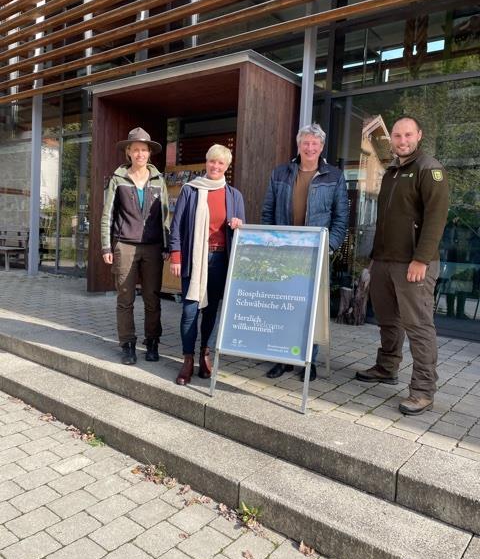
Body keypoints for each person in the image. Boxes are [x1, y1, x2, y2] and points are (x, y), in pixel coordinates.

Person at [355, 116, 449, 415]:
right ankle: (387, 367)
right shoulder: (393, 170)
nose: (402, 140)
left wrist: (421, 259)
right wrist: (374, 258)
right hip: (384, 260)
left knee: (418, 326)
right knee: (388, 320)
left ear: (419, 135)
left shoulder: (428, 168)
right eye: (397, 135)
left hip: (413, 264)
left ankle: (422, 390)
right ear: (391, 139)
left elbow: (436, 217)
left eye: (408, 135)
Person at [261, 123, 349, 381]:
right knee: (282, 307)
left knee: (311, 310)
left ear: (321, 147)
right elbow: (268, 212)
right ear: (298, 146)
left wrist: (328, 247)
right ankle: (281, 358)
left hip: (315, 254)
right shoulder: (280, 173)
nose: (310, 147)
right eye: (305, 143)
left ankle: (308, 360)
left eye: (315, 143)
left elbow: (341, 219)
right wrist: (270, 243)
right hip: (283, 252)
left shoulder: (334, 176)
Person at [169, 144, 245, 386]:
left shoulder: (234, 196)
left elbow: (242, 231)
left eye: (220, 163)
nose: (215, 166)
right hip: (194, 260)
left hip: (220, 260)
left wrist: (238, 224)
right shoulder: (190, 191)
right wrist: (176, 257)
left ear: (227, 167)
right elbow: (177, 226)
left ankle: (205, 354)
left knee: (211, 311)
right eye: (212, 161)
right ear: (207, 161)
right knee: (190, 311)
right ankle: (188, 359)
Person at [101, 127, 169, 365]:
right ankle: (127, 344)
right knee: (125, 298)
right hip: (124, 247)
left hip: (152, 247)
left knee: (152, 298)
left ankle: (152, 342)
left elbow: (165, 216)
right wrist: (106, 247)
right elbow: (107, 215)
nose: (140, 154)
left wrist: (167, 245)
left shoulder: (159, 180)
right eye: (135, 149)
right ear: (128, 152)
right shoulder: (117, 179)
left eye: (144, 149)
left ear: (149, 153)